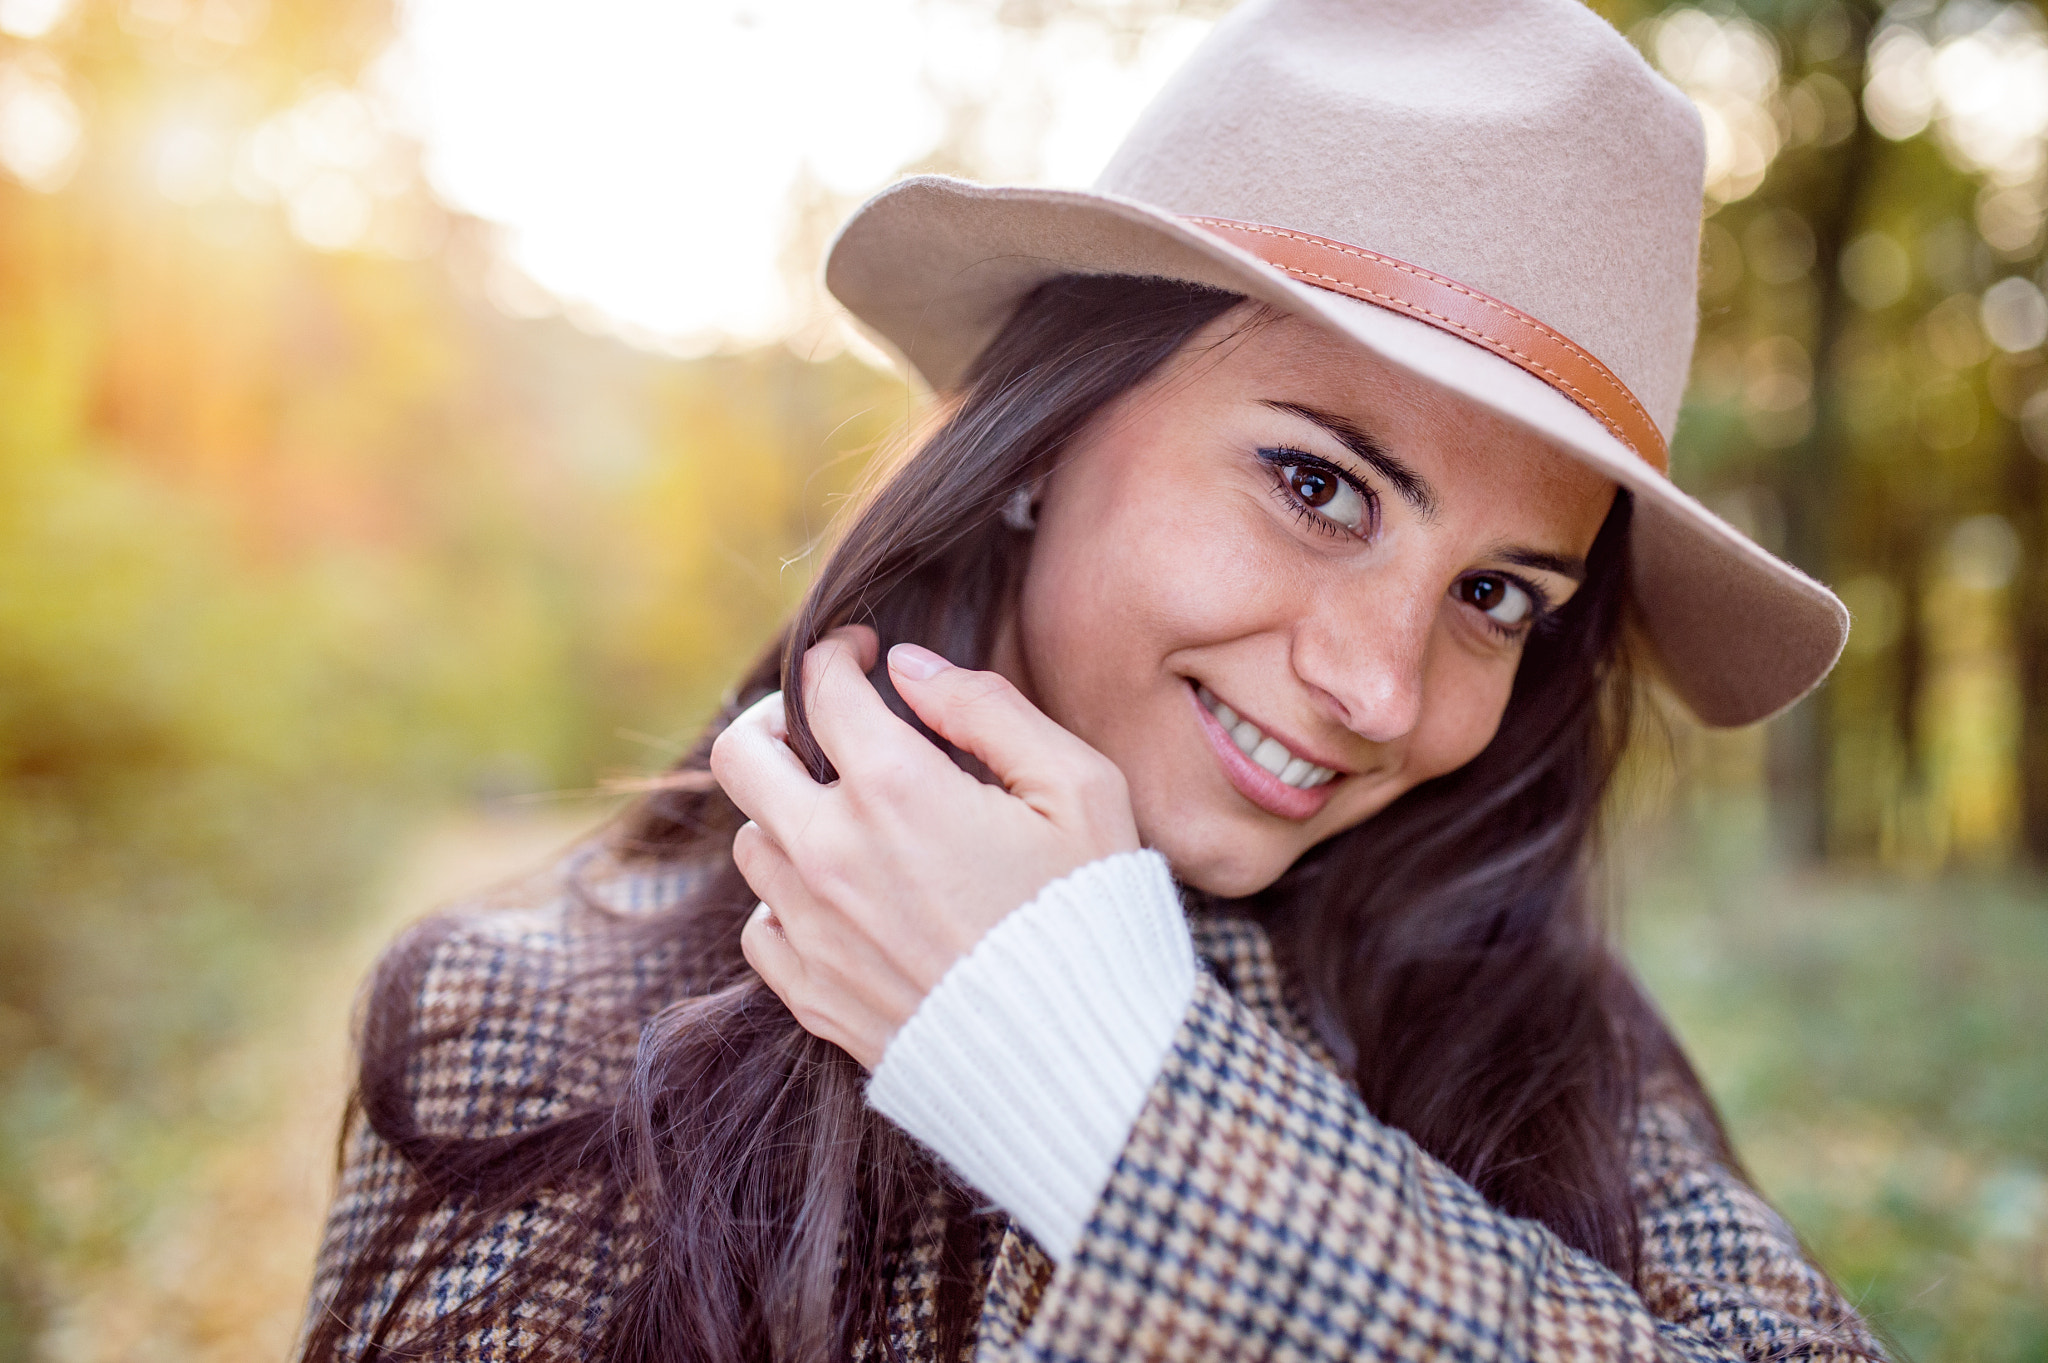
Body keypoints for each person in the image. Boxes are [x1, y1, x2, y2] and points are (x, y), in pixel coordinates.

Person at [298, 1, 1888, 1359]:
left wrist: (1107, 1081)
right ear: (1046, 438)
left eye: (1494, 595)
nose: (1382, 689)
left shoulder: (1539, 1043)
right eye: (1319, 485)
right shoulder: (524, 1023)